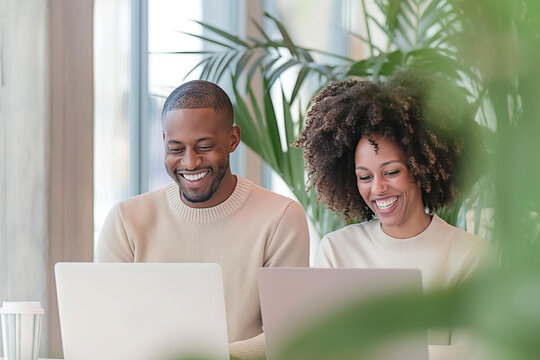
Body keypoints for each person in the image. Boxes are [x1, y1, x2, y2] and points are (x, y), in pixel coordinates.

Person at [96, 80, 310, 359]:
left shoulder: (280, 218)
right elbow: (102, 327)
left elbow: (287, 335)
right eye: (176, 149)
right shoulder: (126, 221)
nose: (190, 162)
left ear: (233, 139)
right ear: (163, 142)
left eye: (204, 146)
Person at [294, 72, 492, 345]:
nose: (377, 188)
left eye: (391, 172)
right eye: (365, 177)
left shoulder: (468, 255)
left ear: (422, 167)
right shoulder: (337, 251)